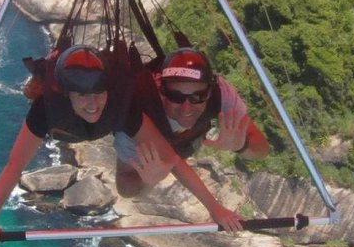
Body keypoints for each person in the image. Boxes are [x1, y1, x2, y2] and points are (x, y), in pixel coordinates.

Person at [0, 44, 243, 245]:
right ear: (68, 93)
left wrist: (215, 208)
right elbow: (14, 166)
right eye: (82, 95)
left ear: (108, 91)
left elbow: (172, 158)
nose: (93, 104)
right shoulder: (46, 111)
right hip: (66, 125)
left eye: (98, 94)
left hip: (111, 121)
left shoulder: (121, 108)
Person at [115, 47, 270, 198]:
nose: (187, 108)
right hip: (155, 146)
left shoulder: (220, 93)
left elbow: (262, 149)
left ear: (209, 92)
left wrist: (241, 146)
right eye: (176, 97)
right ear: (161, 89)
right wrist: (149, 181)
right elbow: (125, 188)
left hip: (184, 145)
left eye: (197, 97)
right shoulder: (138, 111)